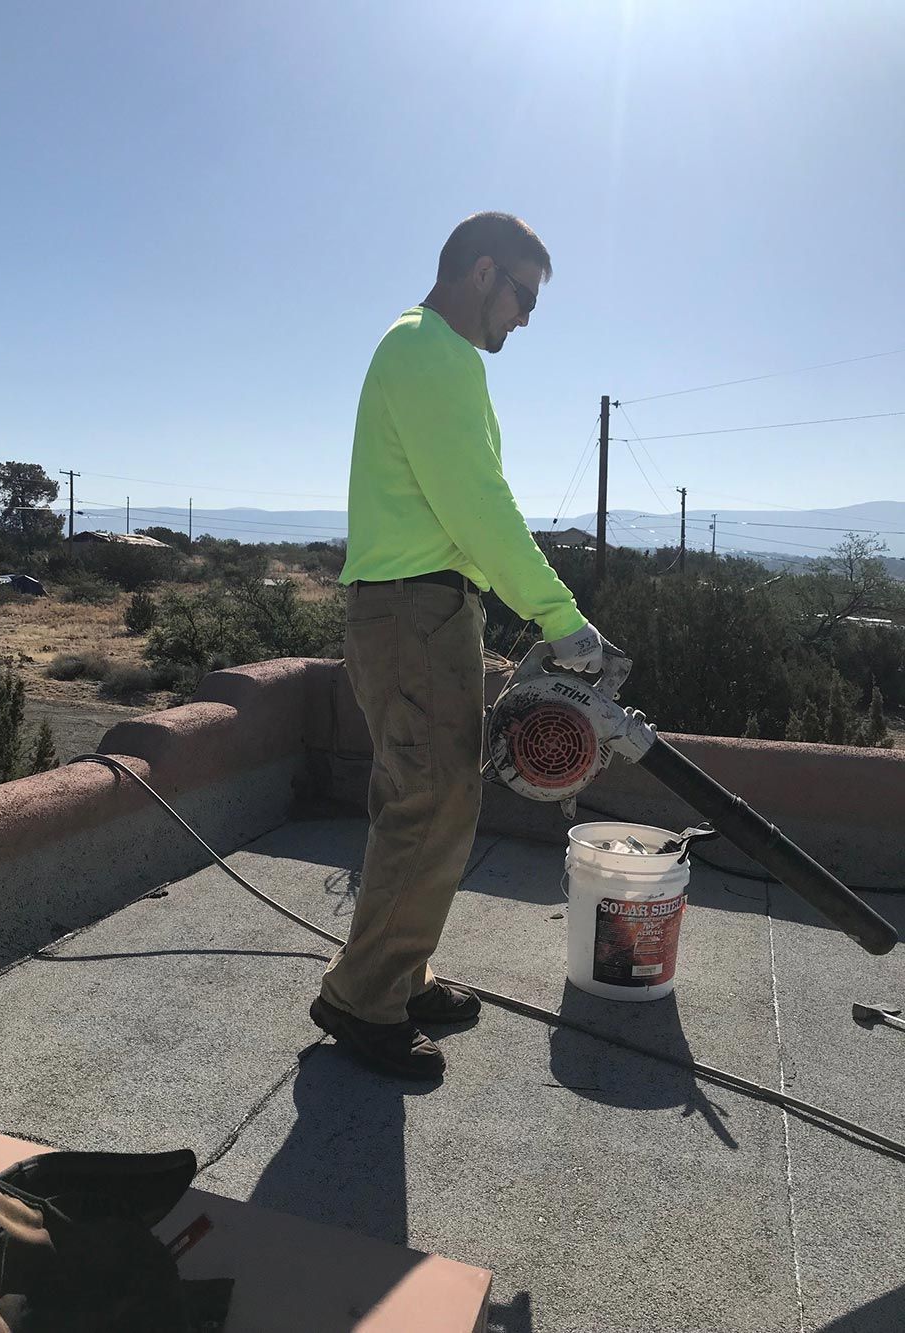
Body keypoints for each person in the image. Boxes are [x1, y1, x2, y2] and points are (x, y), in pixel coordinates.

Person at [310, 212, 609, 1081]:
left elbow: (467, 518)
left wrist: (536, 608)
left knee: (438, 801)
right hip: (413, 614)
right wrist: (559, 615)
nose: (525, 316)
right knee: (427, 802)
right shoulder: (426, 351)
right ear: (482, 273)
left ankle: (400, 976)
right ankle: (362, 1000)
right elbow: (478, 505)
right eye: (524, 295)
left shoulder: (436, 357)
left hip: (426, 611)